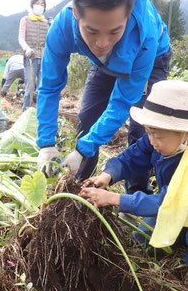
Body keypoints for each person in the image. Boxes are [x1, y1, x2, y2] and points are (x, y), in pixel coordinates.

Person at [36, 0, 171, 193]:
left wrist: (83, 149)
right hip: (102, 63)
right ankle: (80, 185)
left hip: (148, 57)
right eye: (92, 31)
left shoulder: (145, 35)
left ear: (128, 15)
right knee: (87, 118)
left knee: (141, 128)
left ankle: (136, 196)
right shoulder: (62, 27)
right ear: (75, 13)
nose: (102, 43)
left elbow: (124, 101)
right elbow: (50, 86)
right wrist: (46, 144)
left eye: (114, 31)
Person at [79, 80, 188, 252]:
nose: (152, 141)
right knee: (142, 241)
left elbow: (168, 202)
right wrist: (108, 175)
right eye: (148, 133)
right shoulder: (156, 140)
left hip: (177, 205)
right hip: (172, 206)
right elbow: (131, 157)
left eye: (158, 137)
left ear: (185, 135)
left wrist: (114, 199)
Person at [19, 0, 49, 111]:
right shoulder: (25, 20)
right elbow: (21, 38)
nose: (39, 6)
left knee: (42, 87)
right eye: (37, 3)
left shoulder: (46, 23)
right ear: (32, 5)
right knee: (30, 87)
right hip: (30, 57)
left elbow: (48, 41)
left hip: (43, 58)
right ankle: (25, 112)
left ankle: (40, 113)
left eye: (42, 4)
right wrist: (27, 48)